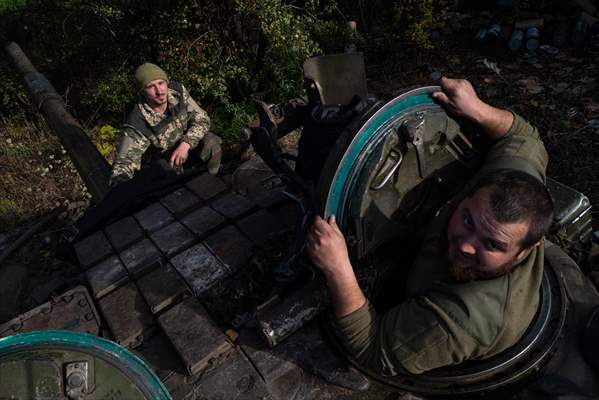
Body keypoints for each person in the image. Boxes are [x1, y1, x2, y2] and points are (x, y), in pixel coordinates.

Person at [306, 77, 554, 375]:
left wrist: (338, 268)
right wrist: (479, 109)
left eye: (492, 244)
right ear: (475, 189)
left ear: (526, 251)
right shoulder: (510, 184)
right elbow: (524, 137)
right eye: (467, 220)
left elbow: (372, 351)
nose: (465, 244)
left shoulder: (463, 319)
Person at [110, 63, 222, 186]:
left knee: (211, 142)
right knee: (166, 176)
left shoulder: (177, 92)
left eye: (161, 83)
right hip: (165, 164)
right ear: (142, 91)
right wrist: (120, 190)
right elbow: (124, 163)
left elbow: (202, 119)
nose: (159, 91)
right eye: (150, 87)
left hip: (187, 148)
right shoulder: (138, 121)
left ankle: (211, 182)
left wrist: (186, 143)